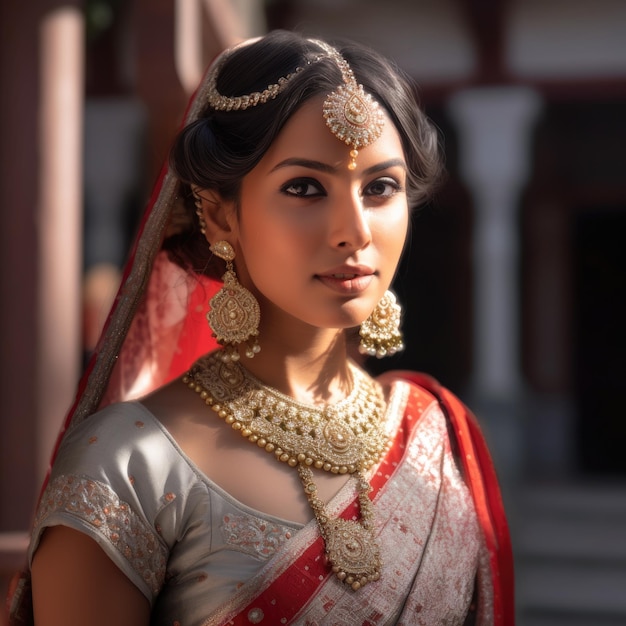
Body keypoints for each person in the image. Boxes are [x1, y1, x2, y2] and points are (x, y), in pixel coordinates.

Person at [7, 30, 513, 626]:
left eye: (380, 188)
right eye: (304, 188)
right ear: (222, 216)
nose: (354, 230)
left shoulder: (440, 437)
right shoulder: (128, 467)